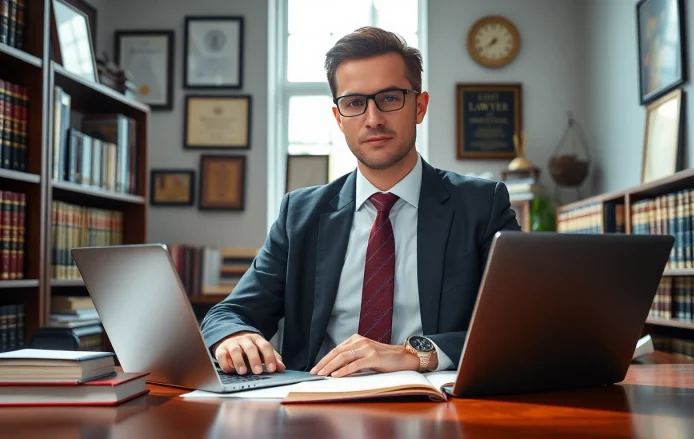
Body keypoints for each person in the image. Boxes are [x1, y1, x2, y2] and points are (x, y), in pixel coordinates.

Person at [200, 26, 520, 378]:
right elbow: (228, 314)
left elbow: (521, 323)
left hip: (435, 407)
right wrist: (235, 335)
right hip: (316, 406)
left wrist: (413, 353)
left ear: (420, 106)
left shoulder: (481, 205)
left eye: (390, 98)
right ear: (338, 118)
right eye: (354, 103)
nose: (373, 119)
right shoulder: (299, 214)